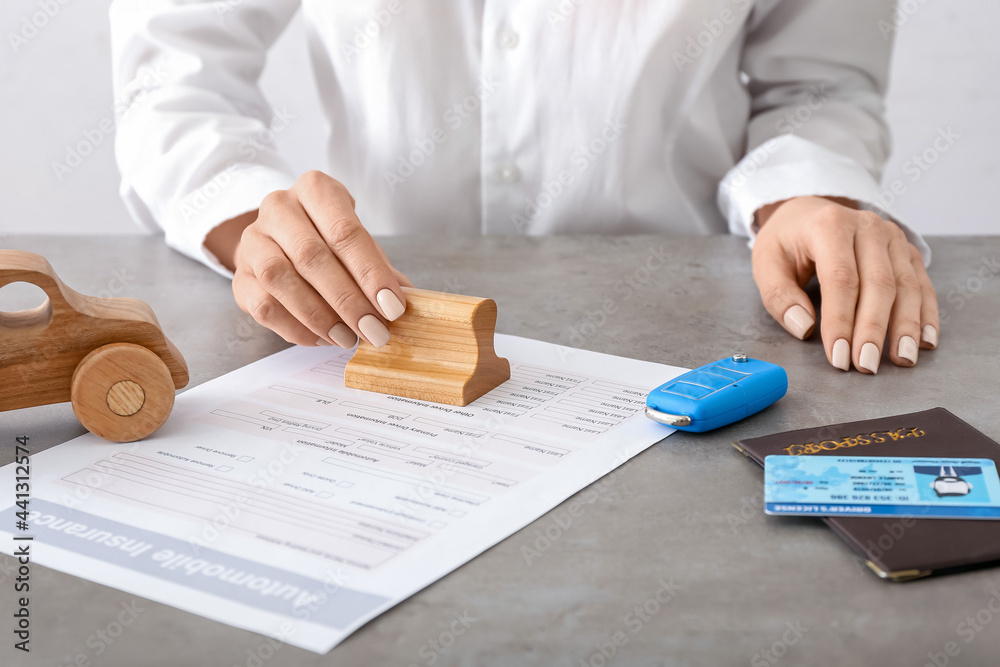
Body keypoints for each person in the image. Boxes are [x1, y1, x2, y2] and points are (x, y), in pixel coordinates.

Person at [109, 0, 938, 375]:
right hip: (363, 329)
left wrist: (800, 194)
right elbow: (176, 84)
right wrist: (255, 222)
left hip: (689, 335)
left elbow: (822, 87)